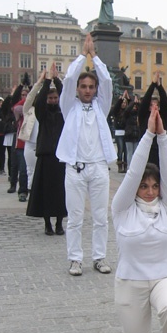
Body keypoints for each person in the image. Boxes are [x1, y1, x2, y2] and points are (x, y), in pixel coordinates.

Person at [111, 107, 167, 333]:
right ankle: (134, 331)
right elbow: (132, 173)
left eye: (154, 186)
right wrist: (147, 136)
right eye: (145, 187)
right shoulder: (122, 209)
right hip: (131, 281)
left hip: (162, 277)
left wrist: (163, 136)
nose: (151, 191)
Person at [56, 33, 116, 276]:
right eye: (84, 87)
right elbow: (69, 78)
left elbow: (108, 83)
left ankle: (99, 257)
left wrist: (96, 58)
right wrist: (83, 55)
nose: (88, 90)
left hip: (99, 167)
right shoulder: (69, 106)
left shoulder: (102, 106)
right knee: (75, 218)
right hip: (75, 168)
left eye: (91, 87)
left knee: (101, 217)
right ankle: (75, 259)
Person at [26, 72, 66, 235]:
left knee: (61, 192)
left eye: (55, 98)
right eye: (51, 98)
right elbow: (40, 100)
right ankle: (47, 223)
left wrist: (57, 80)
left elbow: (66, 94)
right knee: (46, 191)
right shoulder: (41, 113)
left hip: (61, 157)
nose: (53, 100)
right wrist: (46, 81)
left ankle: (59, 223)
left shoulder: (63, 113)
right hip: (46, 156)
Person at [109, 91, 130, 173]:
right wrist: (121, 99)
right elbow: (116, 107)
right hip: (118, 132)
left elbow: (132, 106)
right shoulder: (117, 111)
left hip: (126, 132)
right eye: (123, 103)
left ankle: (125, 165)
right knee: (120, 149)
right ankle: (120, 165)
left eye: (125, 103)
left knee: (126, 149)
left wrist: (128, 98)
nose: (124, 104)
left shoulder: (127, 112)